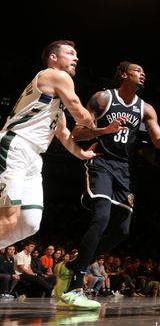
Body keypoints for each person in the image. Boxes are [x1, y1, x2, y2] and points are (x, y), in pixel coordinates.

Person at [58, 61, 160, 310]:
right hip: (100, 162)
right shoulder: (103, 99)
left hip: (123, 169)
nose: (142, 74)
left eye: (144, 71)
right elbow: (77, 133)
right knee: (100, 219)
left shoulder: (146, 109)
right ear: (123, 74)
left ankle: (71, 265)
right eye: (137, 70)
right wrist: (104, 130)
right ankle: (75, 285)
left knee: (121, 231)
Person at [0, 40, 99, 248]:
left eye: (76, 55)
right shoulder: (56, 75)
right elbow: (80, 113)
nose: (76, 58)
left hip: (34, 156)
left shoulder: (54, 100)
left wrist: (82, 154)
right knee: (8, 219)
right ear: (53, 57)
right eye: (70, 53)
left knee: (29, 223)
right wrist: (98, 126)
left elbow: (63, 133)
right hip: (16, 145)